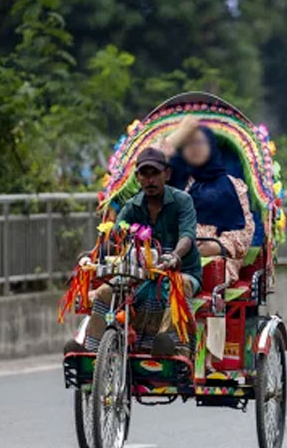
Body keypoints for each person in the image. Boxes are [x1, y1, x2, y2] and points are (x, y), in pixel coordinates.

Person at [66, 147, 201, 357]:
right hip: (140, 274)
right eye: (144, 174)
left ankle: (172, 346)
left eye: (155, 173)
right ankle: (92, 351)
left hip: (180, 272)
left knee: (179, 285)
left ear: (167, 174)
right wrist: (90, 257)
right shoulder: (132, 207)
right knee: (104, 292)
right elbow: (114, 238)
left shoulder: (182, 201)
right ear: (137, 177)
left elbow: (187, 236)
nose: (150, 180)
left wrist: (175, 256)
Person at [160, 117, 255, 286]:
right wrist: (178, 135)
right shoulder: (176, 182)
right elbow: (148, 164)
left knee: (199, 277)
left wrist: (217, 247)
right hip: (174, 257)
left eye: (200, 143)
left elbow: (245, 230)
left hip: (216, 259)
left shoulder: (231, 185)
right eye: (188, 144)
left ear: (211, 145)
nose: (194, 149)